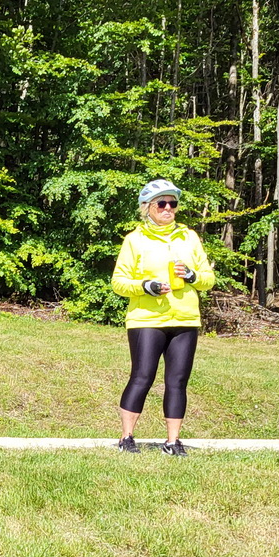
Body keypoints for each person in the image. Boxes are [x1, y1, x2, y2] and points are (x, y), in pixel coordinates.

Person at [110, 179, 216, 455]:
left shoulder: (189, 237)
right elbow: (119, 282)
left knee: (177, 381)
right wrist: (145, 286)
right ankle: (126, 437)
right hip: (146, 319)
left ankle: (172, 441)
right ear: (148, 208)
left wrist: (193, 277)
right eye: (162, 203)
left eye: (173, 203)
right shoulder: (135, 240)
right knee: (142, 377)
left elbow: (208, 279)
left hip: (185, 320)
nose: (168, 208)